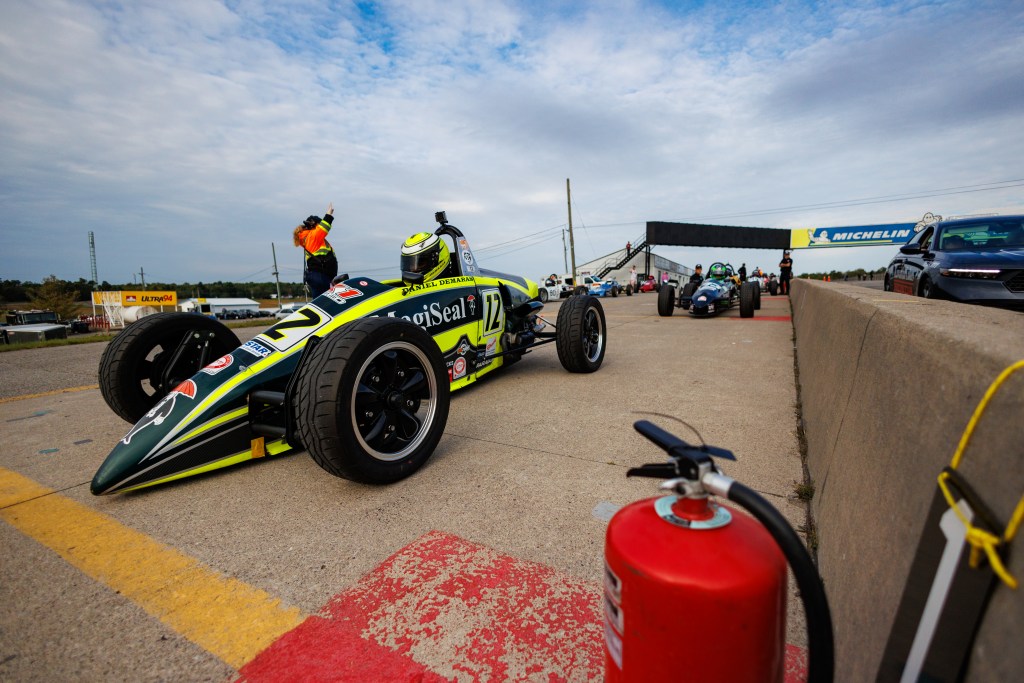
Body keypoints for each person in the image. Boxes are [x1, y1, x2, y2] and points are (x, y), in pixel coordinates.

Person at [293, 202, 338, 297]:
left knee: (321, 301)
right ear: (313, 225)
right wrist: (328, 214)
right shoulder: (313, 237)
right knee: (326, 301)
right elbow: (324, 228)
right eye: (319, 224)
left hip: (319, 276)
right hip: (320, 276)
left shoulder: (310, 238)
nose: (320, 225)